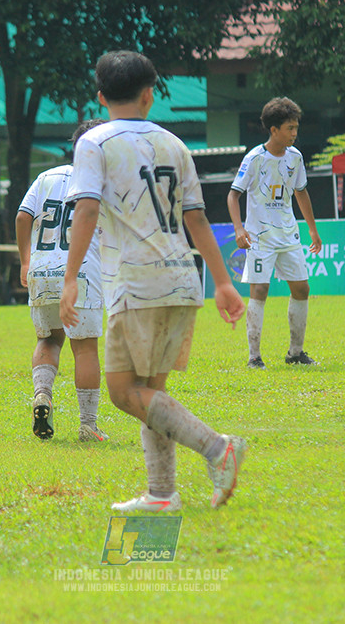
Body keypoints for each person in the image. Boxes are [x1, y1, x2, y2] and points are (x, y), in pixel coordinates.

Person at [59, 50, 247, 512]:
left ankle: (215, 447)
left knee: (125, 393)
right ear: (150, 95)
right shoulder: (175, 145)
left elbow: (84, 209)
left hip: (136, 283)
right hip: (183, 279)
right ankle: (162, 495)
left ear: (101, 96)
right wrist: (222, 283)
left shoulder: (94, 143)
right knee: (150, 392)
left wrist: (70, 280)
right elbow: (198, 219)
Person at [16, 119, 108, 442]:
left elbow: (22, 216)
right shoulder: (101, 183)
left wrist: (26, 260)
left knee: (49, 339)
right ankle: (88, 425)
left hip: (42, 273)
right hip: (79, 273)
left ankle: (42, 394)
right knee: (84, 349)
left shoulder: (46, 177)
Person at [226, 97, 323, 369]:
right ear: (274, 130)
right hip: (260, 237)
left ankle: (295, 352)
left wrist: (312, 230)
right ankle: (254, 357)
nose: (295, 133)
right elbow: (233, 196)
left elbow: (301, 193)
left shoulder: (296, 157)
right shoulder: (255, 158)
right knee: (260, 289)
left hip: (289, 234)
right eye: (290, 128)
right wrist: (238, 227)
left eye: (296, 127)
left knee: (302, 288)